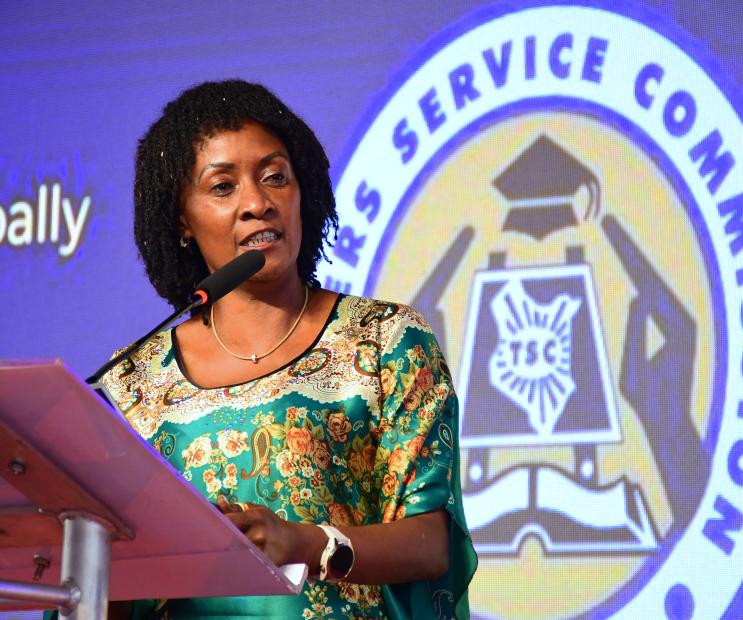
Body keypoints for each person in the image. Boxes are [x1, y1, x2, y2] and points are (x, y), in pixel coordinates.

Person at [101, 80, 476, 619]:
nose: (257, 203)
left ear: (305, 193)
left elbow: (432, 543)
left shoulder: (385, 341)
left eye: (276, 177)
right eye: (223, 187)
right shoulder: (130, 383)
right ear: (182, 219)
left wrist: (304, 543)